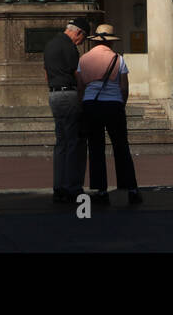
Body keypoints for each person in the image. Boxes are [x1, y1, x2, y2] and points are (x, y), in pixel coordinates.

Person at [77, 24, 140, 205]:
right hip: (113, 104)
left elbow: (81, 87)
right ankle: (131, 189)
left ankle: (101, 191)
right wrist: (121, 104)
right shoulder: (118, 59)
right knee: (121, 147)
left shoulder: (84, 59)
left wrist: (84, 105)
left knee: (96, 148)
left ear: (95, 41)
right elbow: (124, 87)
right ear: (111, 42)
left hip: (91, 104)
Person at [44, 19, 88, 203]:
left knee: (60, 142)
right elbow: (77, 74)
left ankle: (59, 186)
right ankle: (73, 187)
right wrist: (82, 95)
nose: (81, 43)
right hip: (68, 94)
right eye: (82, 39)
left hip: (53, 94)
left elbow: (46, 73)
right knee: (74, 142)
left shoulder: (50, 45)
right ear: (78, 33)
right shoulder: (70, 47)